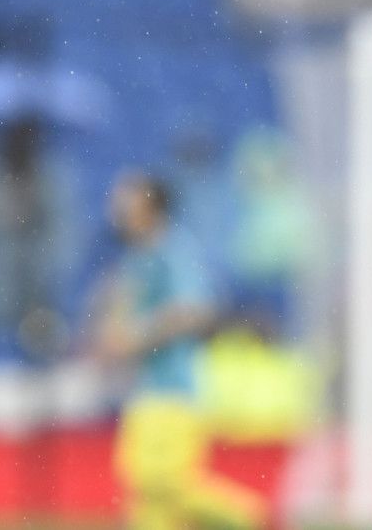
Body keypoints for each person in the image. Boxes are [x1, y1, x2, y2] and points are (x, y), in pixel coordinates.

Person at [93, 173, 264, 530]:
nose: (118, 207)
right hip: (146, 389)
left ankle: (246, 518)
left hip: (175, 390)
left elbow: (195, 310)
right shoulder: (139, 257)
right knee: (143, 486)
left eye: (128, 198)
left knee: (163, 482)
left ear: (150, 206)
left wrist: (138, 336)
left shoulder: (174, 251)